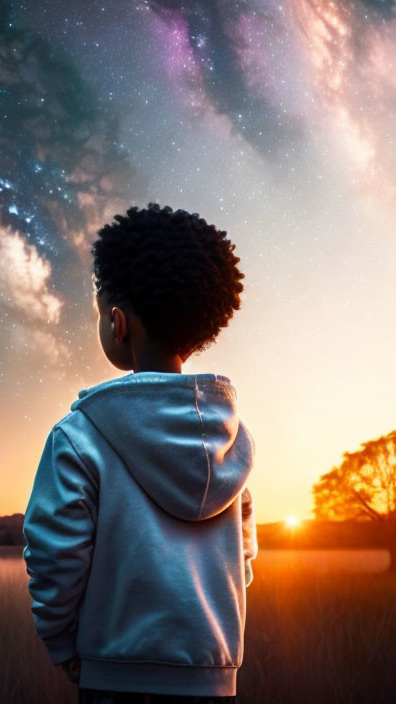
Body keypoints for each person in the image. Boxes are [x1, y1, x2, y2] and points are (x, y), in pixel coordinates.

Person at [22, 204, 258, 703]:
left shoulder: (79, 435)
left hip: (113, 679)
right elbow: (244, 559)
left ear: (117, 321)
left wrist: (62, 643)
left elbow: (56, 555)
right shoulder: (232, 440)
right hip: (212, 679)